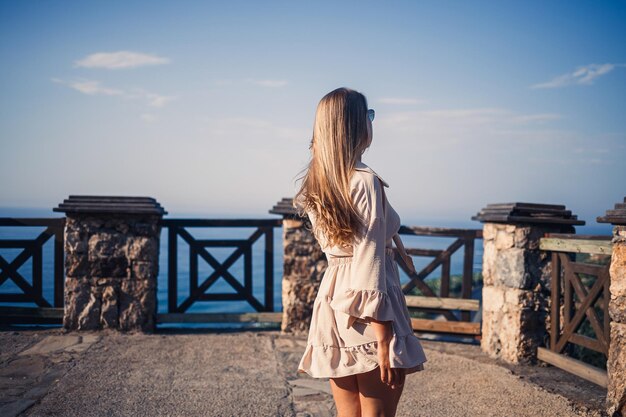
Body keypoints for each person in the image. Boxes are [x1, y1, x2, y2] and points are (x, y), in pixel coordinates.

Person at [293, 87, 427, 417]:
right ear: (354, 125)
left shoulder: (319, 181)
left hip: (334, 301)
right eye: (369, 115)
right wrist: (384, 340)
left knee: (349, 413)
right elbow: (369, 261)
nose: (372, 122)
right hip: (371, 313)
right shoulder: (365, 181)